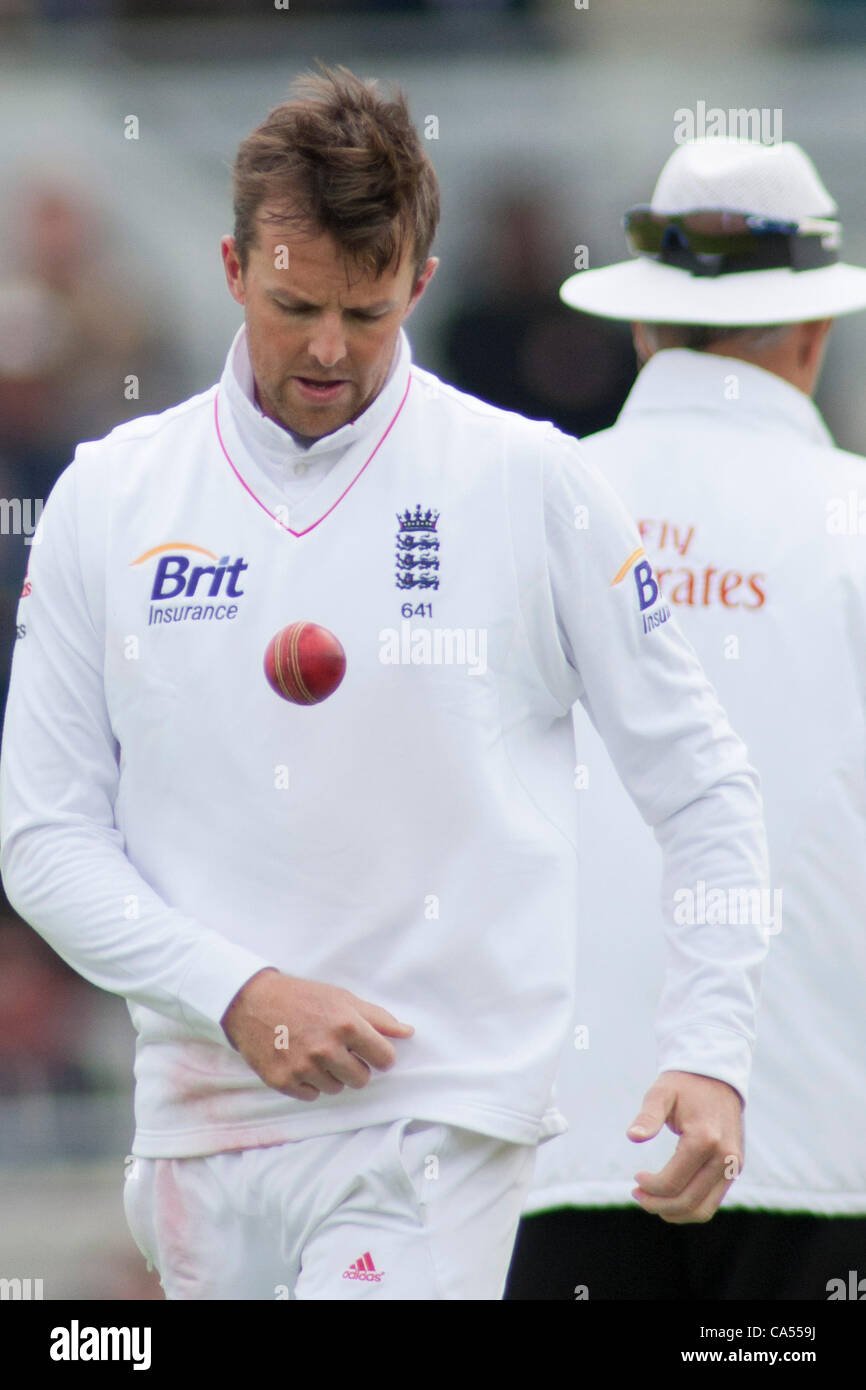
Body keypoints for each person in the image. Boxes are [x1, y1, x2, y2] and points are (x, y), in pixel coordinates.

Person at [0, 70, 769, 1302]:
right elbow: (41, 840)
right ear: (231, 266)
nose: (325, 349)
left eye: (364, 313)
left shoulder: (531, 482)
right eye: (295, 303)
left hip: (436, 1123)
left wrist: (710, 1051)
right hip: (200, 1125)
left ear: (417, 279)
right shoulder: (111, 493)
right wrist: (236, 993)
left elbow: (703, 787)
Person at [507, 136, 866, 1301]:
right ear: (813, 334)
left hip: (550, 1154)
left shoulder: (522, 516)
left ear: (640, 326)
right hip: (823, 1153)